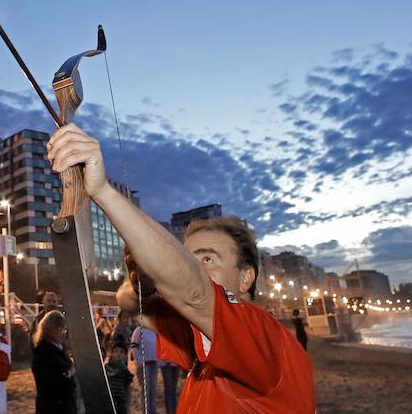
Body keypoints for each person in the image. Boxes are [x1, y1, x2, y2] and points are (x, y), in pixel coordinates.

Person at [48, 124, 316, 413]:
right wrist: (143, 282)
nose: (195, 269)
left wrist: (103, 191)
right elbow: (133, 305)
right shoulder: (205, 340)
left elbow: (194, 292)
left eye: (208, 259)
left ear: (246, 277)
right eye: (189, 259)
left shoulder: (266, 337)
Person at [31, 310, 76, 414]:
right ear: (49, 329)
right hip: (52, 405)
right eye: (59, 328)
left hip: (64, 404)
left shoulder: (60, 348)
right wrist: (69, 372)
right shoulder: (42, 351)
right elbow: (47, 380)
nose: (62, 332)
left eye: (64, 329)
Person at [130, 325, 158, 414]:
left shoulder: (154, 330)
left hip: (154, 364)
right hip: (144, 365)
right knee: (146, 392)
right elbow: (134, 346)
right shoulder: (139, 330)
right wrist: (140, 360)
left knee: (152, 392)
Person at [105, 341, 133, 414]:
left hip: (121, 401)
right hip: (108, 400)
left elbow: (128, 388)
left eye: (121, 352)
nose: (118, 354)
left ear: (125, 355)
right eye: (116, 351)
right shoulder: (106, 368)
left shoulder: (125, 370)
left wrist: (128, 404)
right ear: (111, 353)